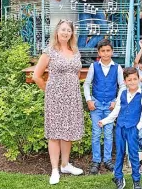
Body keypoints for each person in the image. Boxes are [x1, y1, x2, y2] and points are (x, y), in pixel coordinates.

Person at [32, 20, 84, 185]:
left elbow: (76, 73)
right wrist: (49, 90)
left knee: (67, 131)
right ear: (57, 32)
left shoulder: (75, 51)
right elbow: (36, 76)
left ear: (71, 34)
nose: (66, 33)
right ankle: (55, 169)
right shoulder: (49, 51)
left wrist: (71, 88)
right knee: (55, 132)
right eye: (63, 30)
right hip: (55, 98)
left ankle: (65, 164)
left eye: (69, 30)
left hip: (72, 97)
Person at [99, 67, 142, 189]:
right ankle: (118, 177)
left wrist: (138, 126)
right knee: (119, 153)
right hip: (120, 128)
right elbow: (116, 111)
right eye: (129, 80)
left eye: (135, 79)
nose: (132, 82)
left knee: (133, 154)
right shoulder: (122, 93)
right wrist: (105, 121)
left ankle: (136, 181)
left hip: (133, 128)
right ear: (125, 81)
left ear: (138, 79)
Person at [83, 39, 125, 174]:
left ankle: (107, 159)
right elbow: (86, 84)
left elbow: (122, 86)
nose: (105, 53)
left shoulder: (117, 67)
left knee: (108, 133)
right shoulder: (94, 66)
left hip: (110, 106)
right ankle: (96, 160)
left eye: (108, 50)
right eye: (103, 51)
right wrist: (89, 100)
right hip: (96, 104)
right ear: (98, 52)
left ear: (112, 52)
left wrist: (116, 102)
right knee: (96, 133)